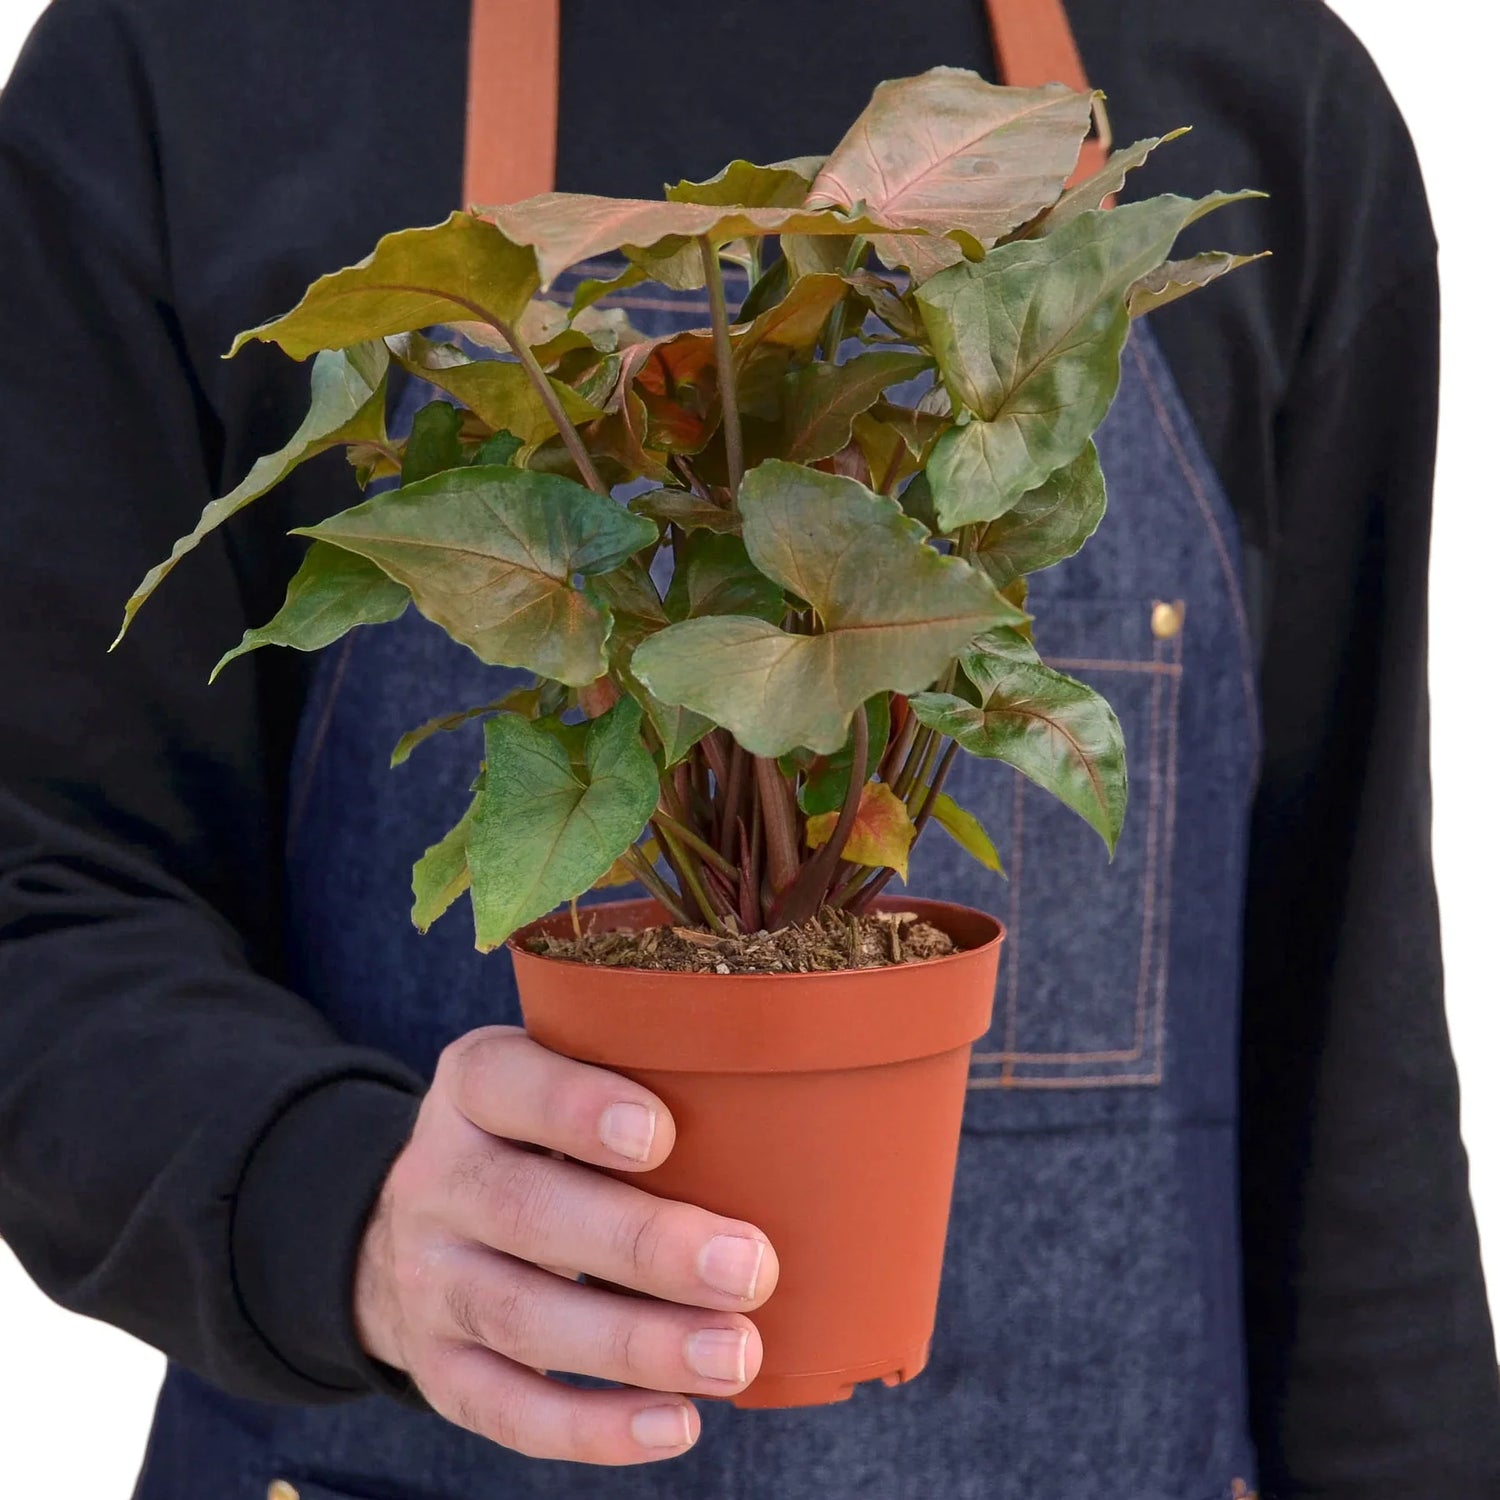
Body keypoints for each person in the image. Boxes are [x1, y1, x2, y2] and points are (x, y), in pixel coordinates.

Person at [1, 1, 1496, 1497]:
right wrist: (337, 1210)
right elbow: (36, 888)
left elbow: (1349, 1002)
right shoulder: (185, 54)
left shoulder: (1254, 76)